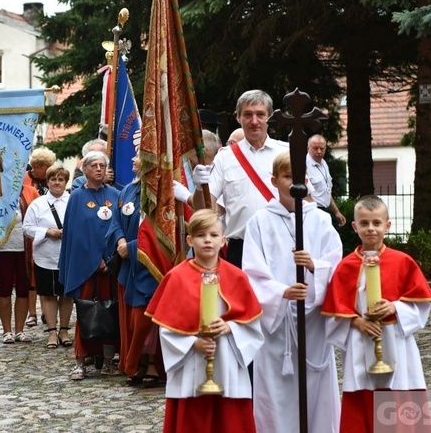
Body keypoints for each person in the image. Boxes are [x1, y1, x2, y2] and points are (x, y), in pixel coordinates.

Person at [241, 152, 343, 433]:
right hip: (278, 327)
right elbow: (252, 273)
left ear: (307, 181)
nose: (294, 184)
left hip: (313, 324)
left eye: (299, 178)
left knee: (316, 394)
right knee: (277, 394)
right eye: (287, 177)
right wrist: (281, 292)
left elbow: (336, 267)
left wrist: (315, 268)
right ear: (274, 181)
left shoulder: (321, 221)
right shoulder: (260, 222)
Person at [322, 195, 431, 433]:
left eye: (376, 222)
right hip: (360, 346)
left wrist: (396, 307)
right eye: (364, 223)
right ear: (354, 226)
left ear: (387, 225)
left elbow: (421, 307)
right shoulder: (345, 267)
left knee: (399, 402)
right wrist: (356, 321)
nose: (371, 228)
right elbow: (333, 315)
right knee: (363, 402)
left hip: (397, 345)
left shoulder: (403, 262)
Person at [145, 209, 264, 433]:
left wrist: (231, 327)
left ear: (223, 240)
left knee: (230, 419)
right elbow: (167, 329)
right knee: (192, 418)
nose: (207, 240)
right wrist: (192, 343)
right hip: (191, 362)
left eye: (213, 235)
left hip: (227, 358)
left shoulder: (237, 277)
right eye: (200, 235)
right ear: (190, 240)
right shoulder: (177, 277)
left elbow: (253, 327)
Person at [192, 90, 289, 268]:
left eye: (260, 114)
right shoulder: (225, 157)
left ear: (270, 117)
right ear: (238, 117)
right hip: (241, 250)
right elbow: (204, 209)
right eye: (248, 115)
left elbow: (306, 202)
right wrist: (199, 187)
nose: (254, 121)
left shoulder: (286, 152)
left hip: (282, 246)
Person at [59, 150, 121, 380]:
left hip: (111, 266)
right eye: (93, 165)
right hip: (86, 266)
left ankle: (107, 361)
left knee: (109, 312)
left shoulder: (115, 194)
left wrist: (109, 258)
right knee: (86, 312)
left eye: (102, 165)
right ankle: (80, 362)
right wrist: (94, 259)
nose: (98, 169)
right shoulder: (76, 197)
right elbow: (76, 234)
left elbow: (118, 228)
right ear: (84, 169)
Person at [106, 153, 163, 385]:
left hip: (150, 265)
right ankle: (136, 362)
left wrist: (132, 247)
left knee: (146, 318)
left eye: (138, 156)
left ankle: (151, 364)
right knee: (131, 319)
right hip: (129, 264)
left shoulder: (159, 190)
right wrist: (120, 241)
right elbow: (116, 220)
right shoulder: (128, 189)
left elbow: (160, 229)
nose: (132, 159)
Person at [22, 163, 73, 349]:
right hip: (45, 255)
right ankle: (52, 331)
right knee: (48, 295)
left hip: (68, 255)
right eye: (53, 179)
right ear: (47, 181)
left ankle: (64, 330)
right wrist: (46, 231)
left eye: (61, 179)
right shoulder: (38, 204)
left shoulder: (73, 201)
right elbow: (27, 228)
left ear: (66, 182)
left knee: (66, 295)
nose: (57, 183)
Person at [0, 182, 40, 344]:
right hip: (2, 247)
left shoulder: (27, 191)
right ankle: (7, 331)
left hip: (24, 247)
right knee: (4, 288)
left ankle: (20, 330)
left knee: (23, 288)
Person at [22, 147, 56, 328]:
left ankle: (46, 312)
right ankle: (32, 312)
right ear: (38, 166)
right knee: (30, 273)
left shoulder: (51, 178)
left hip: (50, 232)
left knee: (43, 272)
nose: (49, 169)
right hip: (31, 231)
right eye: (46, 166)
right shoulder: (26, 179)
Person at [306, 134, 346, 226]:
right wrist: (315, 213)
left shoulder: (324, 163)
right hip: (312, 213)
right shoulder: (304, 166)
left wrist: (337, 212)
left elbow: (326, 192)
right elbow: (304, 195)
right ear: (308, 148)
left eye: (322, 148)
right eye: (315, 148)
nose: (319, 151)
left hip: (323, 211)